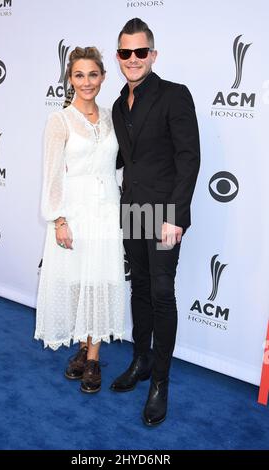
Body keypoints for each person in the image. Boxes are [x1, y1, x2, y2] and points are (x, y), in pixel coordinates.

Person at [110, 18, 200, 425]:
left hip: (164, 215)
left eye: (140, 52)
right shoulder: (116, 104)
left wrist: (177, 216)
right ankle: (141, 361)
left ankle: (160, 383)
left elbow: (188, 159)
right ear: (118, 57)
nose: (133, 59)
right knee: (141, 289)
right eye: (126, 52)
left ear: (153, 54)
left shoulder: (174, 95)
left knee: (163, 294)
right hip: (132, 210)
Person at [35, 47, 125, 394]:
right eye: (78, 75)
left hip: (106, 210)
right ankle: (84, 347)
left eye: (93, 75)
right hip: (73, 212)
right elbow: (53, 174)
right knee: (75, 281)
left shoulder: (111, 116)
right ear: (69, 79)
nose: (86, 82)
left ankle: (91, 359)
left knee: (99, 280)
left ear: (103, 77)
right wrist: (58, 219)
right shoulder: (59, 120)